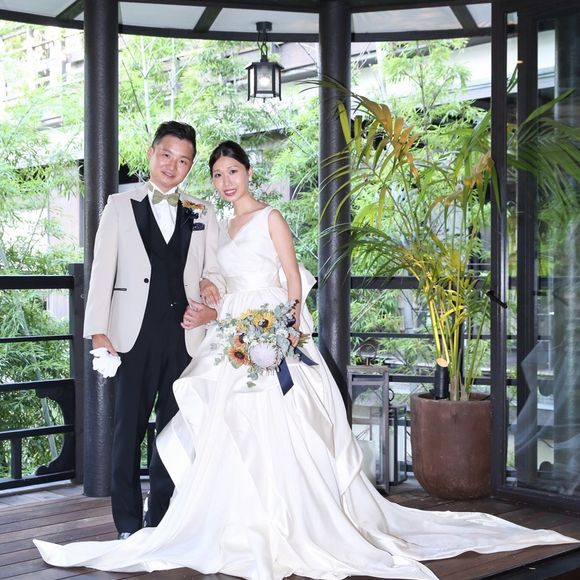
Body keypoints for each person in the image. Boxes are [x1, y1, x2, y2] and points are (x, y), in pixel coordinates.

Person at [35, 141, 577, 579]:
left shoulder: (267, 216)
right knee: (200, 426)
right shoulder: (207, 220)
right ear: (161, 158)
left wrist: (289, 328)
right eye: (217, 174)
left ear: (248, 173)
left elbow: (293, 277)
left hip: (264, 330)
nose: (224, 181)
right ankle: (177, 522)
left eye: (231, 172)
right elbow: (205, 274)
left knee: (268, 426)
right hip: (220, 333)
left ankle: (269, 522)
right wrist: (200, 300)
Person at [81, 121, 223, 539]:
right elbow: (102, 271)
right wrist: (98, 330)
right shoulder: (119, 206)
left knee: (173, 431)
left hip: (185, 336)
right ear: (151, 153)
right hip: (133, 335)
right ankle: (127, 524)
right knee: (127, 430)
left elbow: (215, 268)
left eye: (183, 161)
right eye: (166, 155)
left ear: (190, 166)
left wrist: (210, 289)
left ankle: (160, 519)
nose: (172, 166)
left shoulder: (202, 211)